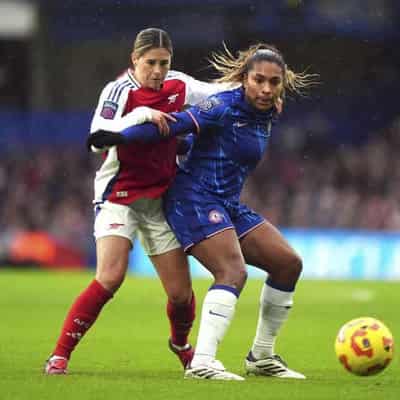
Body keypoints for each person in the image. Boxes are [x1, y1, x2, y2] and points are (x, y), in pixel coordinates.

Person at [88, 42, 317, 380]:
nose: (266, 88)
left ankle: (262, 356)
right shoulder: (222, 106)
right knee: (232, 272)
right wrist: (114, 136)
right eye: (259, 80)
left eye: (274, 82)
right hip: (192, 197)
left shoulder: (267, 111)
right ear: (244, 79)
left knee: (287, 264)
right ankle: (202, 363)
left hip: (225, 203)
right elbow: (172, 125)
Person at [44, 28, 229, 375]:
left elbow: (219, 95)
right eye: (151, 63)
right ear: (135, 60)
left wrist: (253, 89)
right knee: (110, 277)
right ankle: (59, 355)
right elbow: (97, 139)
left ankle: (181, 345)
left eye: (164, 63)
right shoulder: (118, 91)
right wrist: (143, 115)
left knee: (180, 295)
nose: (158, 71)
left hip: (160, 201)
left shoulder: (179, 84)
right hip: (119, 196)